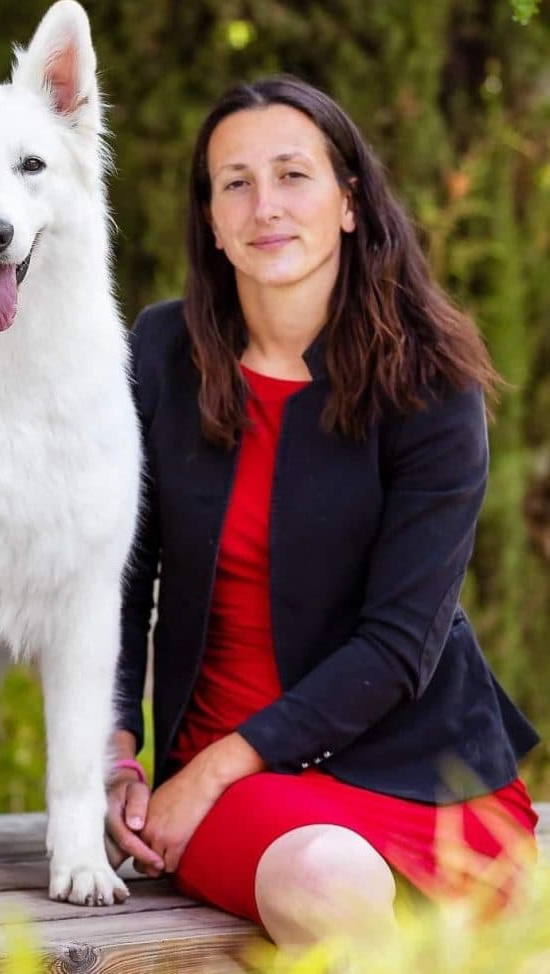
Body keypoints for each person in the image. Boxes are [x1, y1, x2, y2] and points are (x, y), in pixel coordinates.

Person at [105, 75, 540, 947]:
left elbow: (397, 645)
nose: (265, 205)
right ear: (212, 221)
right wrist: (114, 747)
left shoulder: (432, 384)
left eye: (293, 175)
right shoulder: (159, 353)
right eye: (236, 182)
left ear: (348, 201)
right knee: (326, 879)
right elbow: (116, 573)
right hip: (255, 800)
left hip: (419, 769)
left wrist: (211, 774)